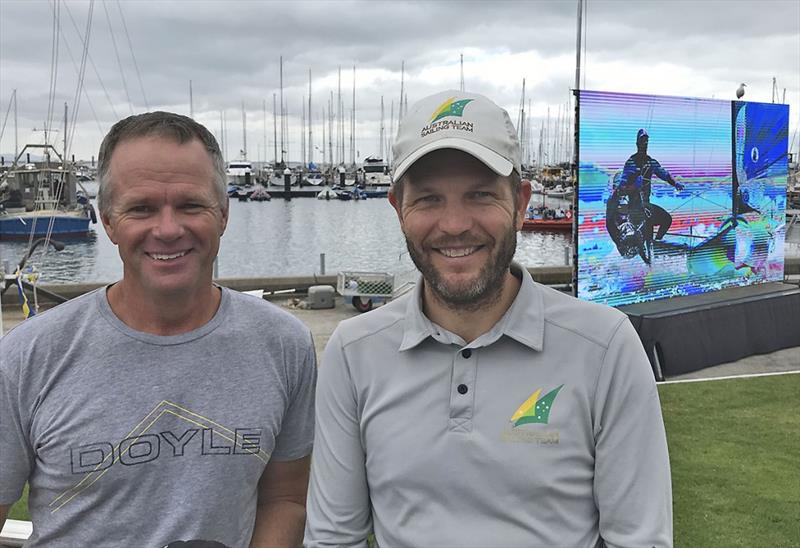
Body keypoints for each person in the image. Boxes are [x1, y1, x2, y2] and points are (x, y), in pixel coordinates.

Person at [304, 90, 672, 547]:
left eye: (479, 195)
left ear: (520, 203)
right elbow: (333, 539)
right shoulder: (354, 350)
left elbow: (639, 540)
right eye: (429, 199)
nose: (454, 224)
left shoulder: (605, 347)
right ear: (398, 208)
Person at [0, 112, 316, 547]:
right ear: (108, 221)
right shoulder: (27, 355)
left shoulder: (284, 345)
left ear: (223, 214)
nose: (168, 229)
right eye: (141, 208)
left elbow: (284, 498)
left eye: (190, 205)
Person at [607, 129, 684, 255]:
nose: (645, 143)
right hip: (635, 209)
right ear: (637, 143)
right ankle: (647, 252)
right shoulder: (631, 162)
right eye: (642, 140)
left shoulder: (651, 161)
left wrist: (675, 183)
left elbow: (663, 174)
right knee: (647, 227)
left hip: (646, 206)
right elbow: (622, 187)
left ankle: (657, 244)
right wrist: (634, 185)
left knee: (667, 219)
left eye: (647, 140)